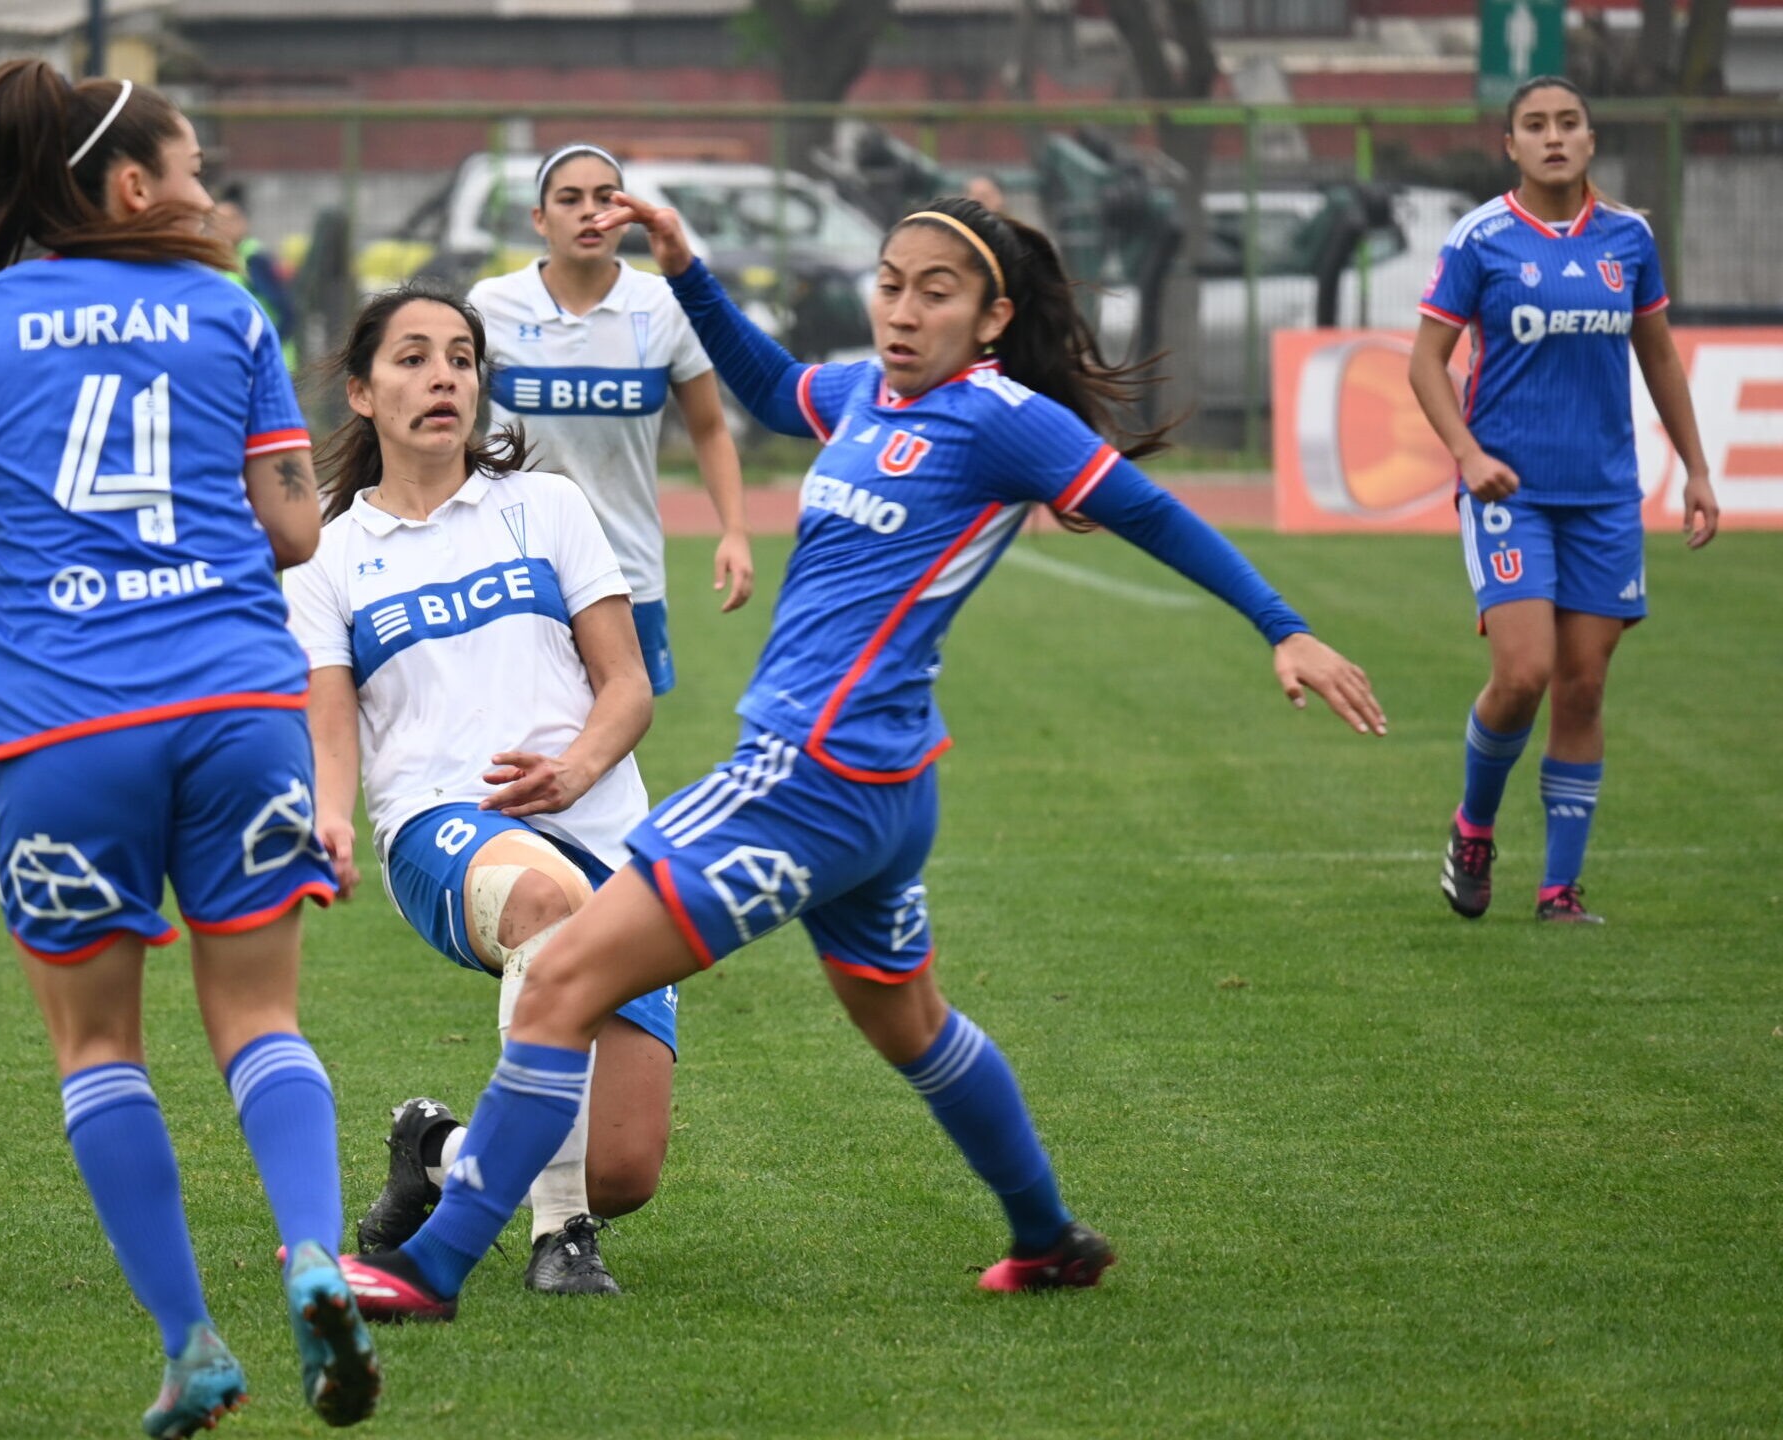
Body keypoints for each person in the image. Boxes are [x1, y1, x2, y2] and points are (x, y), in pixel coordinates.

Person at [334, 192, 1387, 1323]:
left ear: (992, 320)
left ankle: (427, 1268)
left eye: (936, 292)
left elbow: (1150, 513)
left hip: (803, 781)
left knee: (557, 986)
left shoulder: (1002, 420)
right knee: (910, 1025)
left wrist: (1281, 625)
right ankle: (1045, 1234)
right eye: (890, 282)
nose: (901, 308)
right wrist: (689, 269)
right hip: (885, 792)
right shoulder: (860, 395)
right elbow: (768, 383)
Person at [0, 63, 378, 1435]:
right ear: (130, 187)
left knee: (98, 1046)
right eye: (194, 163)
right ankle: (316, 1253)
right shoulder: (225, 309)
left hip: (64, 723)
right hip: (239, 706)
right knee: (260, 1018)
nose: (212, 188)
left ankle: (192, 1343)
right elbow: (294, 533)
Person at [286, 284, 672, 1297]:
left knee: (620, 1169)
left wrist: (576, 771)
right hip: (442, 829)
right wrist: (328, 822)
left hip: (607, 836)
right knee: (542, 899)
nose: (441, 376)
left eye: (459, 357)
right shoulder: (324, 559)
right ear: (363, 394)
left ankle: (434, 1147)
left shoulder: (544, 507)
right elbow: (331, 730)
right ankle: (560, 1241)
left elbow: (628, 685)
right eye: (411, 358)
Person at [1411, 75, 1717, 926]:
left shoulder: (1628, 239)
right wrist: (1467, 456)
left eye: (1569, 123)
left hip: (1604, 499)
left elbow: (1657, 358)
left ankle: (1559, 890)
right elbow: (1423, 362)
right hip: (1510, 491)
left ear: (1590, 140)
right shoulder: (1481, 238)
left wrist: (1695, 468)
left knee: (1582, 688)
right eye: (1535, 125)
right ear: (1510, 145)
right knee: (1524, 674)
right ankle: (1474, 827)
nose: (1554, 136)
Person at [468, 144, 756, 695]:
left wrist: (736, 532)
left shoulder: (666, 305)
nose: (589, 211)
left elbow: (710, 428)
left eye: (606, 198)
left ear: (626, 216)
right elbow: (450, 414)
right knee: (525, 725)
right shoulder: (492, 304)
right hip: (516, 560)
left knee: (621, 726)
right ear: (539, 219)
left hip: (628, 565)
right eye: (569, 199)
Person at [213, 185, 298, 368]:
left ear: (243, 222)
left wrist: (265, 347)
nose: (221, 227)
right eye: (216, 221)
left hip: (269, 363)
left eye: (228, 220)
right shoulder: (228, 258)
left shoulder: (253, 259)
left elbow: (285, 311)